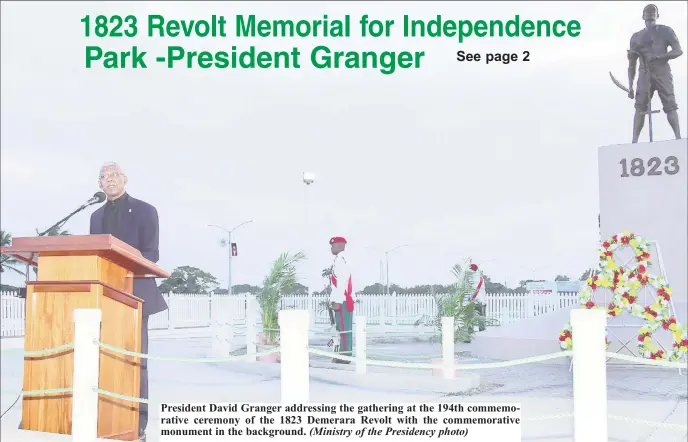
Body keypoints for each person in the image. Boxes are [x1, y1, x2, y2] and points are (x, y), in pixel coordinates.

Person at [89, 162, 167, 442]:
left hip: (134, 295)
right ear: (99, 185)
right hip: (103, 296)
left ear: (125, 179)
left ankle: (137, 423)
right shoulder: (95, 217)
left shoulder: (146, 210)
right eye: (103, 177)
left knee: (135, 362)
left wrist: (123, 264)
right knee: (104, 357)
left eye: (113, 175)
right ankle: (107, 418)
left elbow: (151, 254)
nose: (108, 180)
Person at [627, 4, 683, 142]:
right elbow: (632, 64)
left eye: (653, 12)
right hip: (644, 73)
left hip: (662, 70)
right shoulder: (636, 37)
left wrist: (660, 57)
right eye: (647, 11)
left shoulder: (666, 31)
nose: (650, 13)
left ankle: (678, 138)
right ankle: (634, 141)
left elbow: (678, 50)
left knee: (670, 104)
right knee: (640, 106)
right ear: (643, 15)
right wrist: (630, 86)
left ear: (657, 15)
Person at [328, 236, 355, 364]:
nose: (331, 248)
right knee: (344, 328)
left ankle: (345, 356)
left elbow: (342, 282)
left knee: (343, 328)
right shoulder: (345, 259)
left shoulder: (340, 260)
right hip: (344, 299)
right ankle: (345, 354)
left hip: (343, 300)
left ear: (339, 246)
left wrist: (337, 301)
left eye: (333, 246)